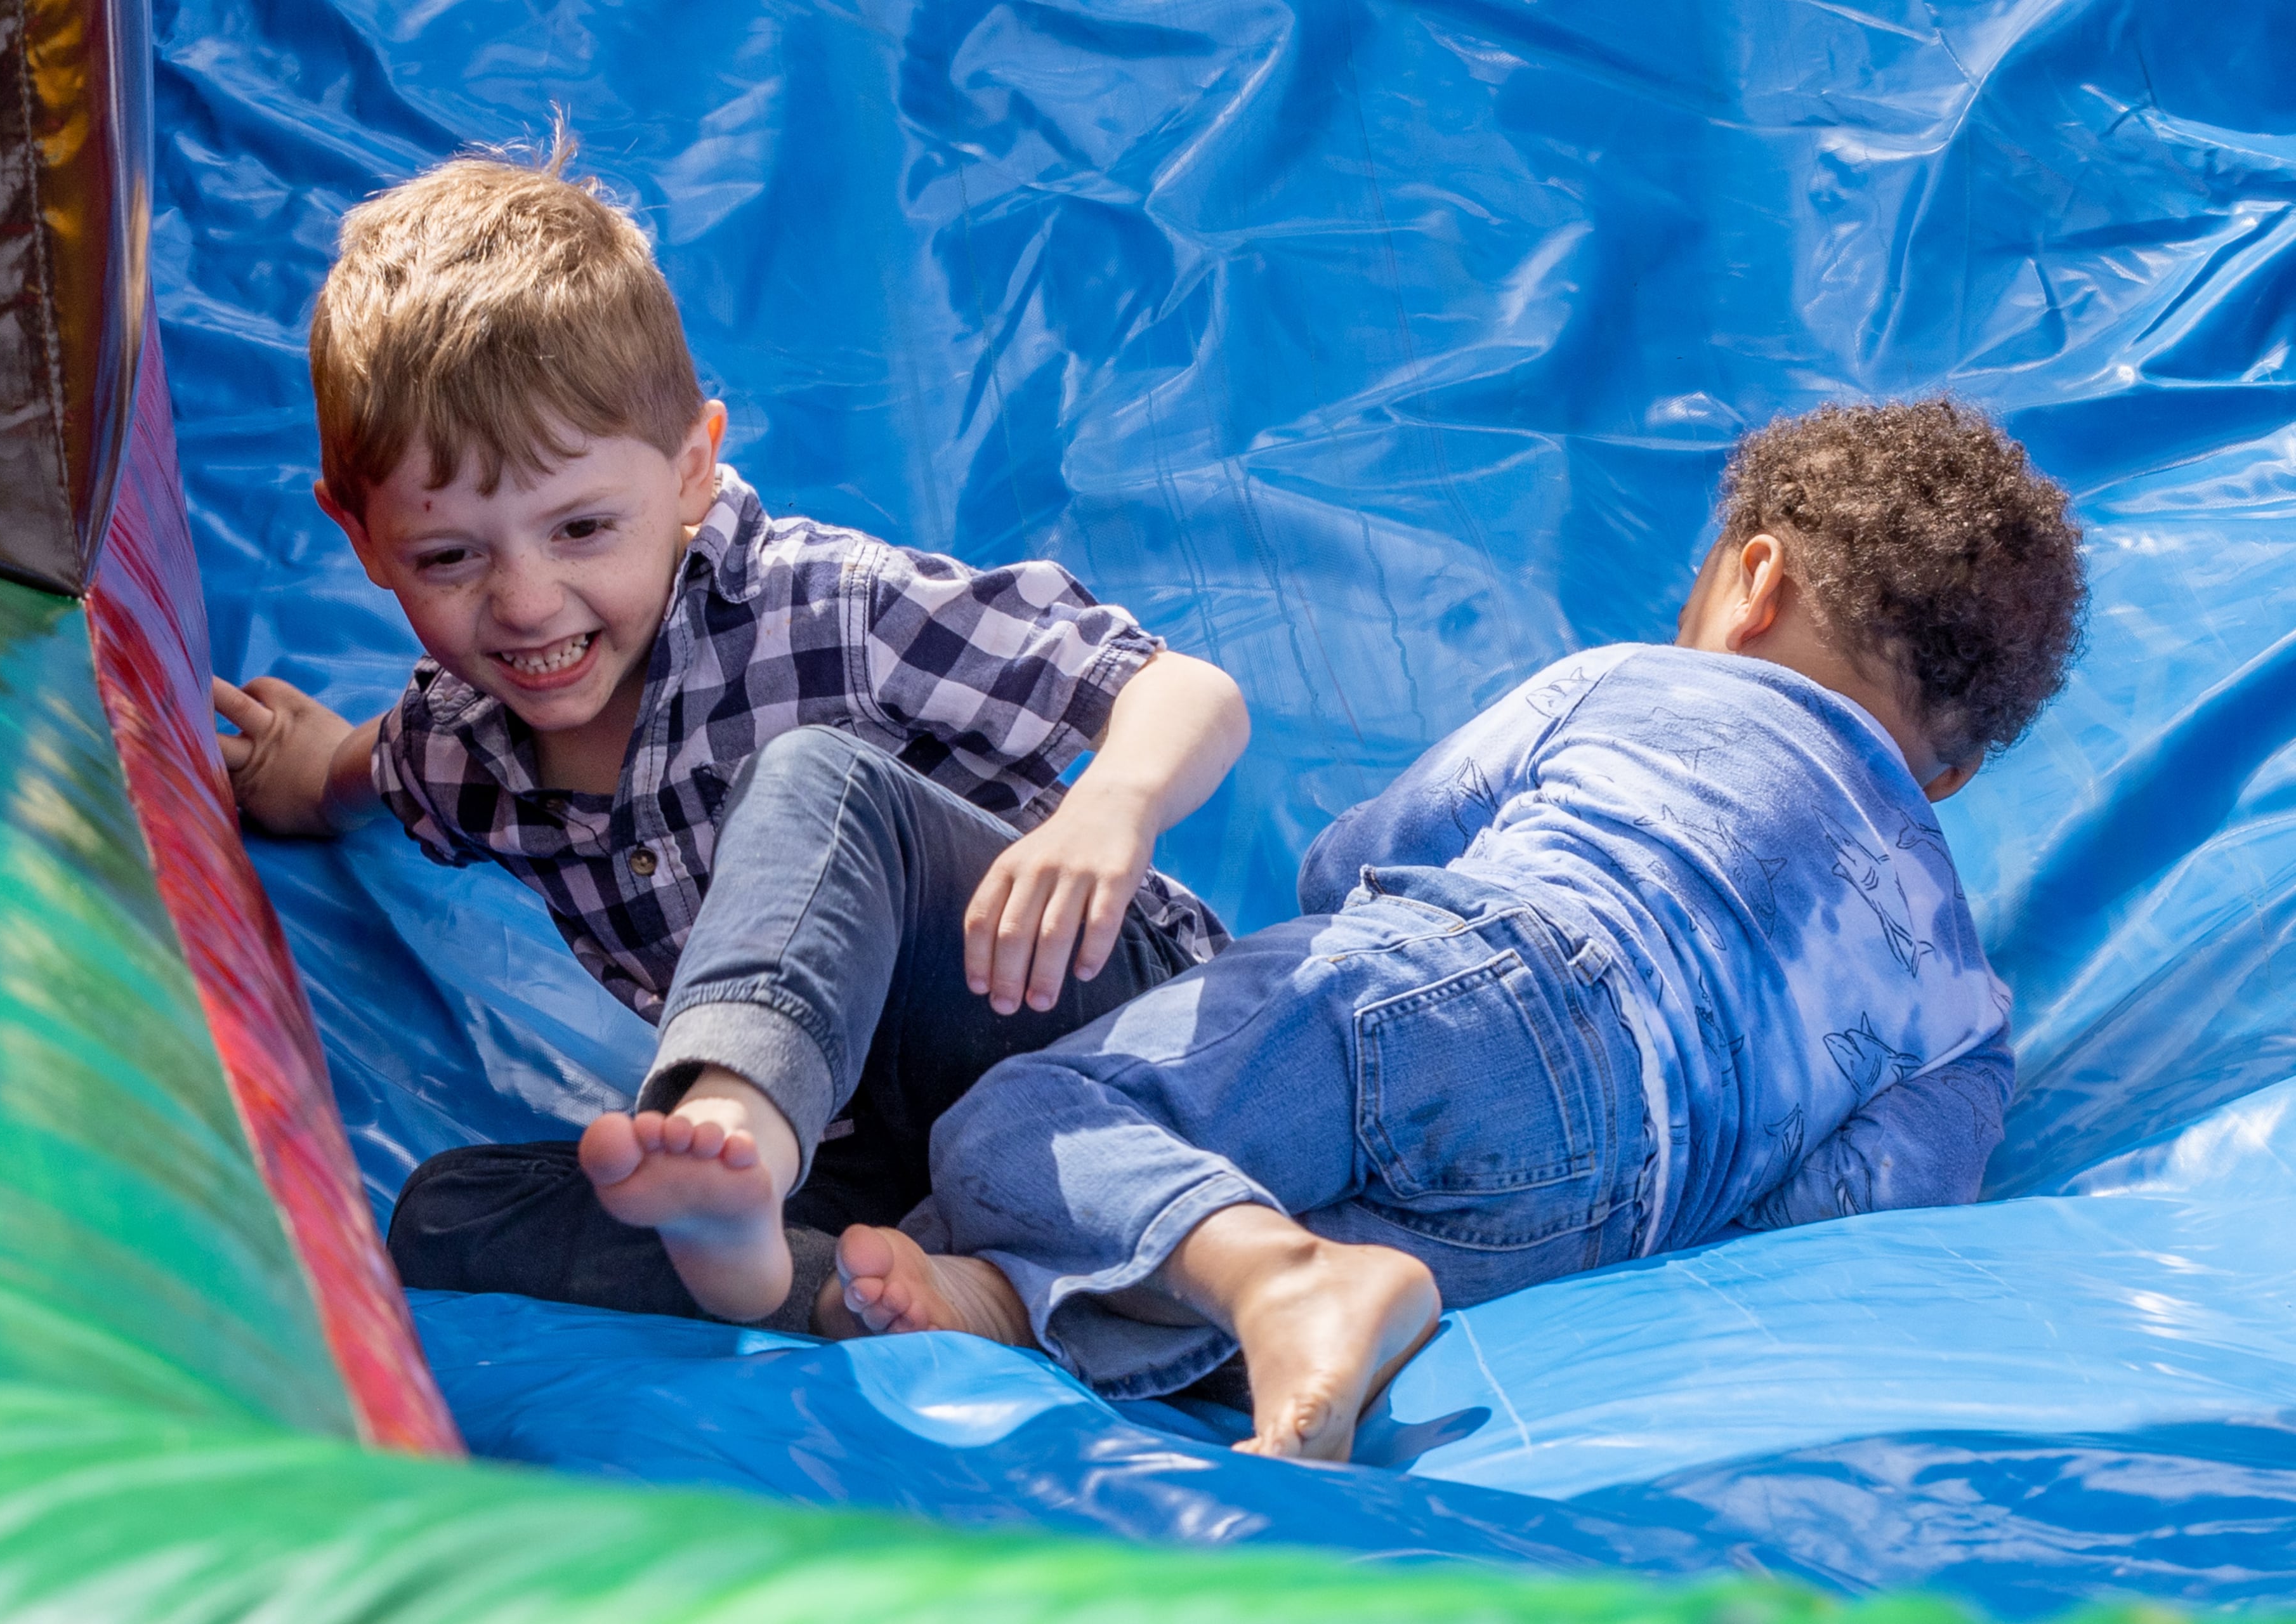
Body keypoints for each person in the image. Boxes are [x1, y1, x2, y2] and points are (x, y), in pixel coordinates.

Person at [820, 399, 2087, 1463]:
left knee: (1031, 1115)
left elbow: (1368, 851)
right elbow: (1850, 1210)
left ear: (1755, 581)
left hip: (1477, 982)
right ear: (1952, 779)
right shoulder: (1969, 1014)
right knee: (1291, 1254)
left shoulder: (1638, 681)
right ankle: (1022, 1298)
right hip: (1616, 1209)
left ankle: (1135, 1271)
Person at [211, 136, 1247, 1329]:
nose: (528, 602)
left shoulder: (824, 610)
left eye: (585, 529)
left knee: (815, 782)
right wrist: (300, 776)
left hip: (1079, 1033)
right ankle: (841, 1280)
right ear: (360, 537)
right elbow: (370, 771)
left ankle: (783, 1159)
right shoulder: (471, 751)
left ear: (694, 469)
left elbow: (1187, 692)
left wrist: (1109, 804)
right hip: (867, 1157)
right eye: (448, 558)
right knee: (445, 1213)